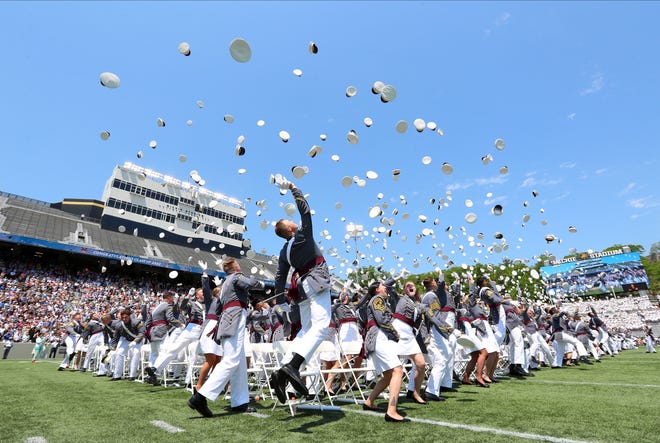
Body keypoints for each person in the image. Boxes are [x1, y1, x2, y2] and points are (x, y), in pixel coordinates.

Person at [267, 175, 332, 404]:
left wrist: (282, 304)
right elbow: (306, 211)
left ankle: (281, 371)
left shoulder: (284, 252)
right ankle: (294, 366)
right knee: (322, 326)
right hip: (316, 281)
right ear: (291, 229)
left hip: (303, 287)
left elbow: (279, 277)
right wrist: (294, 188)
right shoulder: (303, 235)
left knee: (306, 330)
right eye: (290, 221)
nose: (295, 221)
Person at [187, 258, 263, 417]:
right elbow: (253, 284)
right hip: (235, 318)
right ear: (235, 267)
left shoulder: (224, 287)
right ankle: (200, 397)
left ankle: (239, 402)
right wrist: (258, 280)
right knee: (232, 359)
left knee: (239, 362)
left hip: (230, 319)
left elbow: (220, 308)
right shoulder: (237, 276)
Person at [361, 280, 409, 423]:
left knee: (388, 375)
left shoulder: (382, 300)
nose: (386, 288)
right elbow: (382, 319)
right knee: (398, 371)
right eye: (383, 285)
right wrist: (395, 333)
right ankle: (392, 411)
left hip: (378, 339)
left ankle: (369, 402)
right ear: (377, 289)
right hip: (379, 338)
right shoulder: (377, 299)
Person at [393, 280, 427, 404]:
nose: (410, 286)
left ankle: (415, 393)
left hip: (410, 334)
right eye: (407, 285)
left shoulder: (418, 304)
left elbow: (431, 312)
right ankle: (388, 397)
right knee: (394, 367)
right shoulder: (400, 298)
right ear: (404, 289)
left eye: (412, 285)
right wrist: (398, 277)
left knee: (421, 364)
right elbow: (388, 286)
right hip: (398, 331)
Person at [195, 261, 223, 394]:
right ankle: (199, 385)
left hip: (218, 330)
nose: (219, 294)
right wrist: (205, 274)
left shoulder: (224, 302)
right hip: (210, 328)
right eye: (217, 292)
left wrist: (221, 285)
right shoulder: (210, 300)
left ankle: (212, 384)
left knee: (218, 359)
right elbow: (206, 289)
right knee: (211, 359)